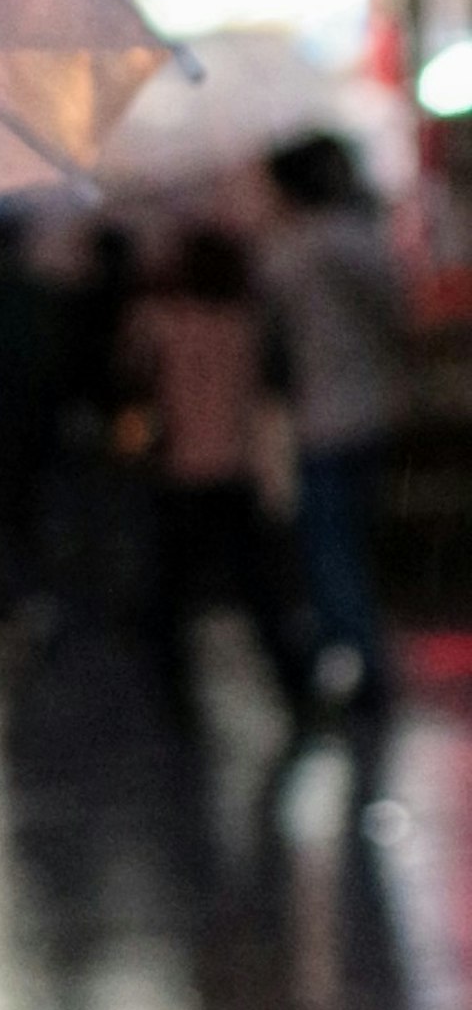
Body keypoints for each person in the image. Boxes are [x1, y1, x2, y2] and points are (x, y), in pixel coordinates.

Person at [120, 221, 315, 727]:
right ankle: (297, 694)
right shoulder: (247, 323)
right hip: (235, 468)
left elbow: (132, 381)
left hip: (179, 471)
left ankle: (175, 704)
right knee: (259, 593)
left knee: (169, 599)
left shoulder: (156, 321)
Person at [262, 132, 407, 727]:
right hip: (371, 411)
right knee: (355, 543)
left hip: (322, 420)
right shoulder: (358, 241)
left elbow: (275, 345)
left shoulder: (287, 254)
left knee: (329, 549)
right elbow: (395, 318)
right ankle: (365, 656)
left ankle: (362, 662)